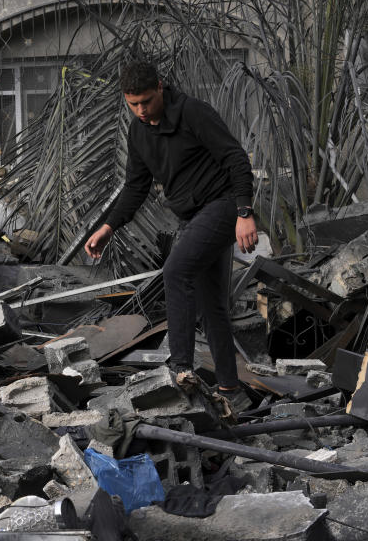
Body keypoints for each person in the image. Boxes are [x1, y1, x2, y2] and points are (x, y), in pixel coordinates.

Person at [84, 61, 258, 409]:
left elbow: (235, 158)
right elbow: (135, 187)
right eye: (133, 104)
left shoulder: (193, 112)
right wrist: (107, 226)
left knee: (176, 270)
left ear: (161, 87)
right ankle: (231, 392)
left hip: (223, 206)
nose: (141, 110)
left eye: (147, 101)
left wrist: (244, 212)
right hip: (193, 217)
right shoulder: (138, 132)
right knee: (212, 308)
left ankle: (179, 367)